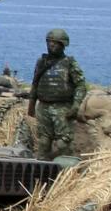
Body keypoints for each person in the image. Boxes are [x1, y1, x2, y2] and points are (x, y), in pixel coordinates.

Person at [27, 29, 88, 159]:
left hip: (62, 107)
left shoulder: (69, 63)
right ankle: (42, 167)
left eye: (55, 43)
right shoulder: (41, 62)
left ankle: (63, 168)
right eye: (49, 42)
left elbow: (81, 85)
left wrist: (76, 105)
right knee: (43, 141)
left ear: (62, 45)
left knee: (64, 141)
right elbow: (35, 83)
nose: (51, 45)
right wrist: (31, 104)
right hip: (43, 106)